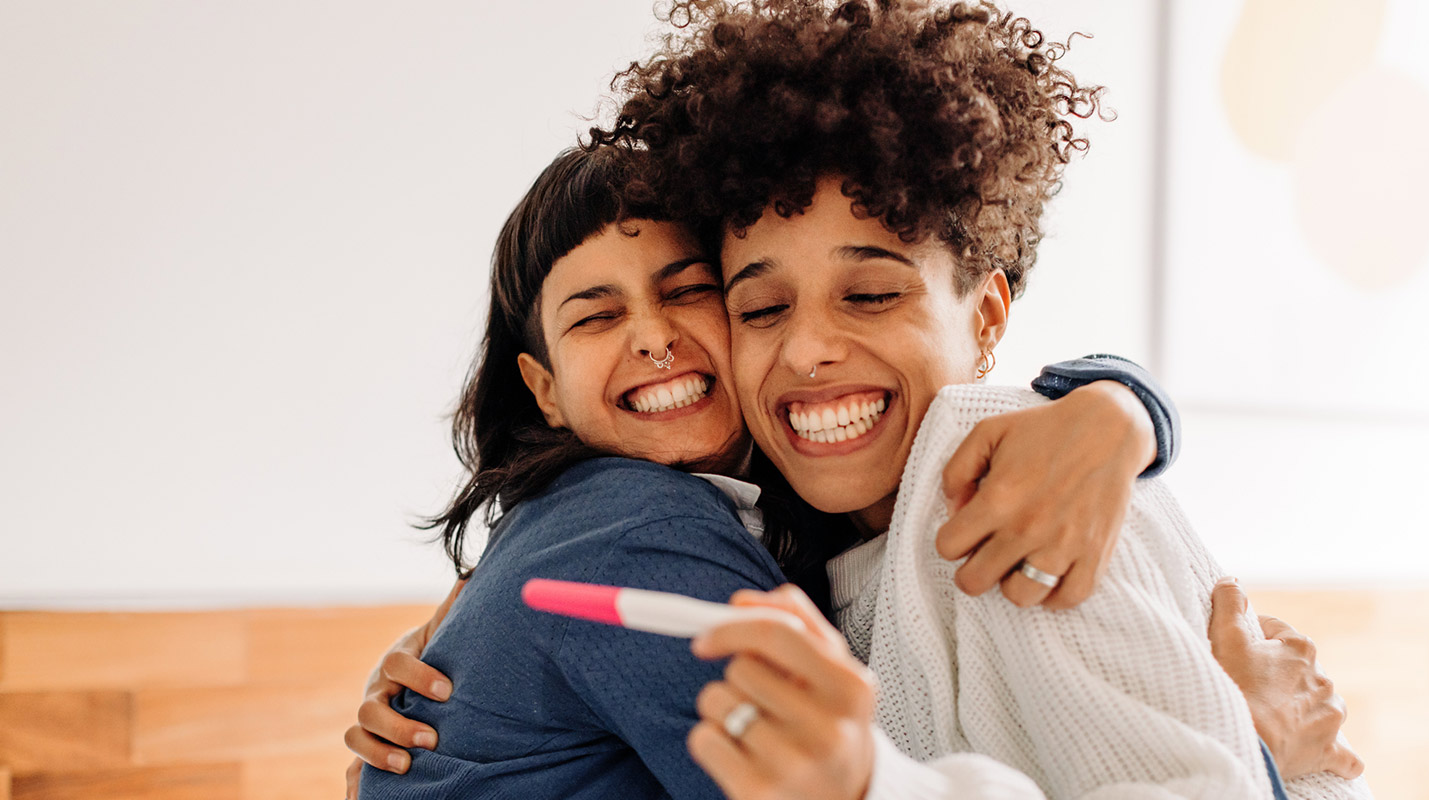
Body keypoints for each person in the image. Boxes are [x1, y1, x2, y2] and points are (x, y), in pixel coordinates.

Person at [584, 0, 1370, 798]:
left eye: (870, 295)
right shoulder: (800, 535)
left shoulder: (1016, 488)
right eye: (761, 309)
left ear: (986, 314)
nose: (807, 347)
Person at [353, 143, 1182, 799]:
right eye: (598, 317)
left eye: (689, 292)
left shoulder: (750, 512)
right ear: (545, 391)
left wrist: (1123, 403)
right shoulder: (643, 528)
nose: (652, 337)